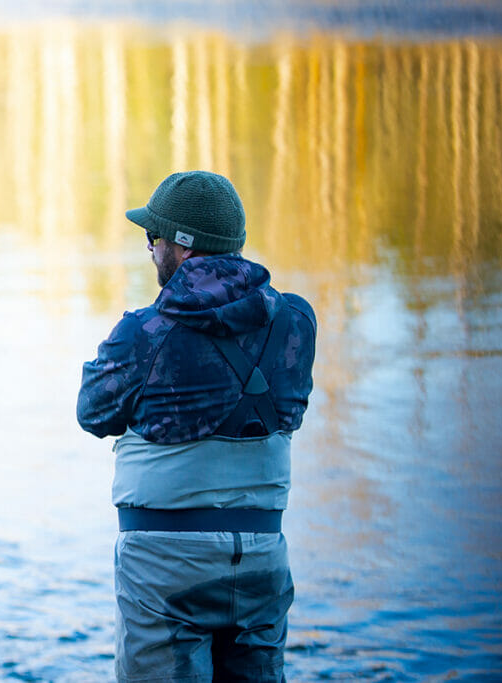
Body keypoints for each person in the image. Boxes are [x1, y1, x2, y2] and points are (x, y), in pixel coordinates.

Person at [76, 171, 316, 682]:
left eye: (153, 237)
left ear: (181, 247)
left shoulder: (145, 332)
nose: (150, 248)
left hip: (166, 565)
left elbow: (92, 413)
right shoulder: (297, 320)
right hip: (262, 559)